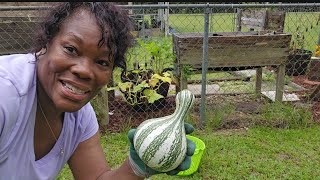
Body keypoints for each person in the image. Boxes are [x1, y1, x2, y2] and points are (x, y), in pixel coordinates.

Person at [0, 2, 195, 179]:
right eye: (71, 49)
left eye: (102, 62)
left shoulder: (80, 118)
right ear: (46, 43)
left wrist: (137, 166)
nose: (84, 70)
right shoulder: (5, 95)